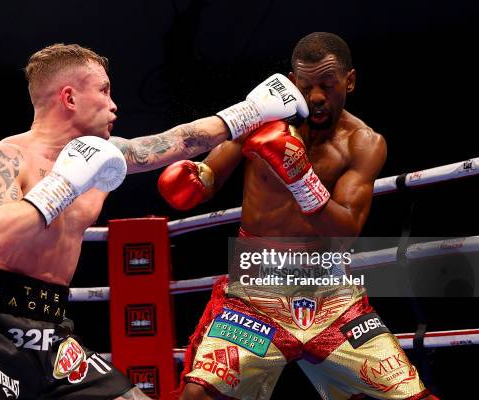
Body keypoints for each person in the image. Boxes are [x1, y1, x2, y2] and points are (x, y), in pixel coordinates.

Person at [0, 43, 308, 400]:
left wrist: (252, 111)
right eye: (104, 90)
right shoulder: (4, 157)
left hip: (52, 330)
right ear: (69, 98)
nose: (114, 105)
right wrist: (63, 183)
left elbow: (177, 141)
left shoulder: (105, 157)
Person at [158, 32, 438, 400]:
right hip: (255, 298)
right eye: (305, 86)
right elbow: (210, 175)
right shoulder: (263, 119)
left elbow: (346, 231)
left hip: (332, 298)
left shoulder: (364, 143)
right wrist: (198, 179)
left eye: (327, 84)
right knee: (198, 396)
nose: (316, 97)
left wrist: (300, 175)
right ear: (291, 82)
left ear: (349, 81)